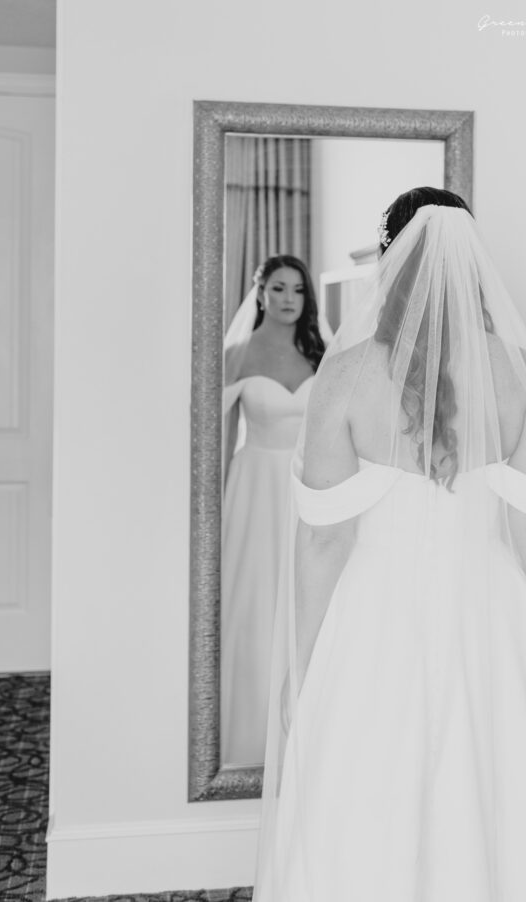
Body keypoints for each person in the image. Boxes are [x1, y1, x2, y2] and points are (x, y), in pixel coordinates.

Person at [254, 188, 526, 901]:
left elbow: (323, 543)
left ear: (390, 262)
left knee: (362, 809)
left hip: (373, 625)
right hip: (493, 624)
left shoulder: (344, 375)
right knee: (497, 806)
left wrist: (300, 669)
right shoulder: (517, 371)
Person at [221, 254, 329, 767]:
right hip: (255, 487)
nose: (290, 299)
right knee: (256, 597)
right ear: (260, 292)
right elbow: (217, 438)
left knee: (304, 595)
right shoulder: (237, 354)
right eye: (280, 288)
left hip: (306, 486)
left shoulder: (320, 353)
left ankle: (306, 730)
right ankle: (250, 732)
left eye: (299, 290)